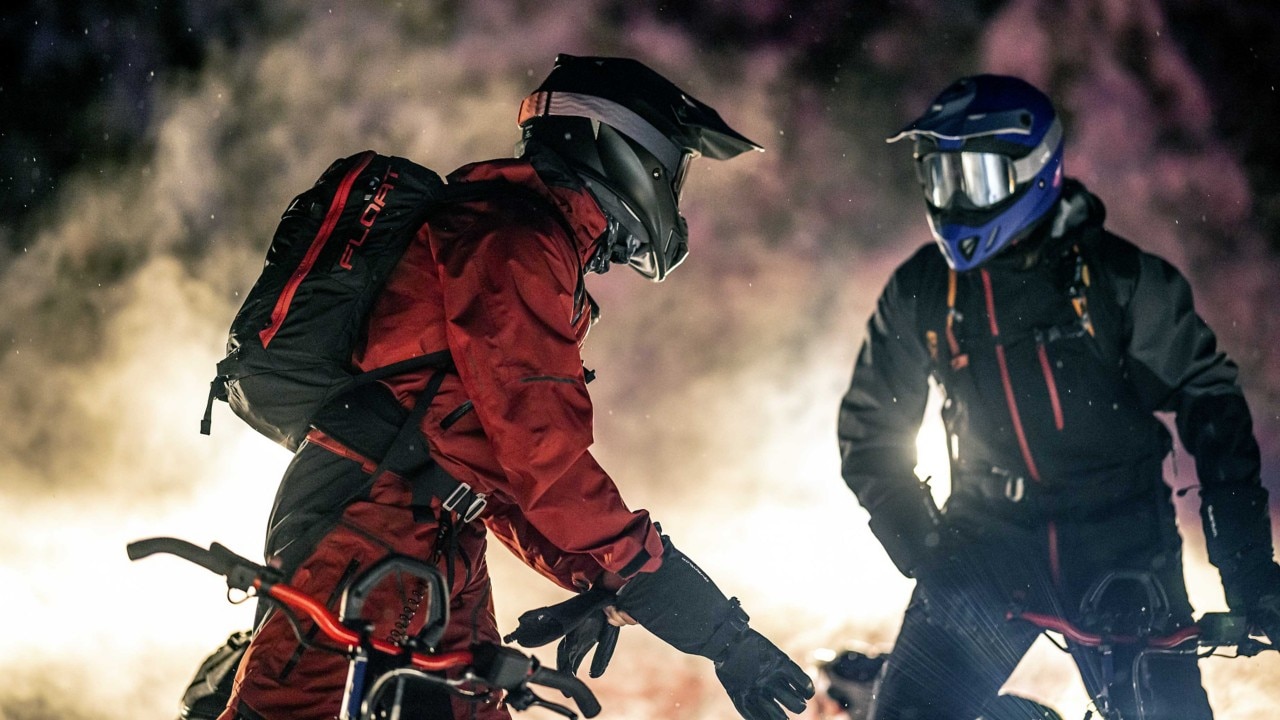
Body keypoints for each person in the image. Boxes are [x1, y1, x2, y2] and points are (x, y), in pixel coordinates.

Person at [219, 54, 813, 720]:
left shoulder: (532, 240)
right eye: (670, 170)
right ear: (621, 150)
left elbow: (500, 477)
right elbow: (544, 460)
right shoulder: (512, 240)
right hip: (365, 521)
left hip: (429, 527)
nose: (670, 195)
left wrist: (604, 578)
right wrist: (694, 612)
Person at [836, 74, 1280, 720]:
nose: (954, 203)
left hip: (1121, 545)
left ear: (1034, 172)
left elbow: (1208, 400)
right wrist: (925, 546)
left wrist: (1246, 569)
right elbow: (869, 432)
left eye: (976, 180)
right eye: (940, 179)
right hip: (985, 545)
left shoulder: (1119, 280)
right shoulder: (924, 292)